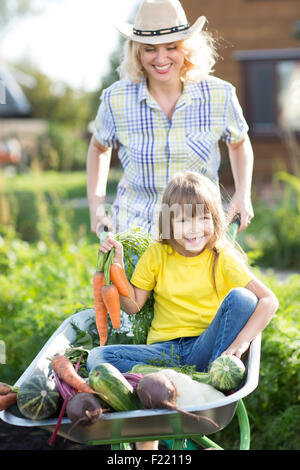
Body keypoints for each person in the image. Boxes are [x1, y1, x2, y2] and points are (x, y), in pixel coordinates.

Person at [87, 171, 278, 450]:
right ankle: (173, 385)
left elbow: (268, 300)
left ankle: (203, 381)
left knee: (244, 299)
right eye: (184, 219)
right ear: (168, 221)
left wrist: (241, 344)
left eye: (203, 218)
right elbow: (133, 305)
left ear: (214, 219)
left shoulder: (221, 256)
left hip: (205, 351)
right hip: (163, 353)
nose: (195, 229)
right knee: (98, 358)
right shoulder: (157, 255)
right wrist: (117, 272)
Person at [87, 0, 254, 240]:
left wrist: (243, 193)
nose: (161, 58)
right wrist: (96, 206)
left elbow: (239, 143)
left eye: (171, 47)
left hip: (199, 236)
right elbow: (98, 148)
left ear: (186, 48)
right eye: (149, 48)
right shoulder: (116, 98)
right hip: (137, 231)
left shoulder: (219, 94)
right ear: (137, 52)